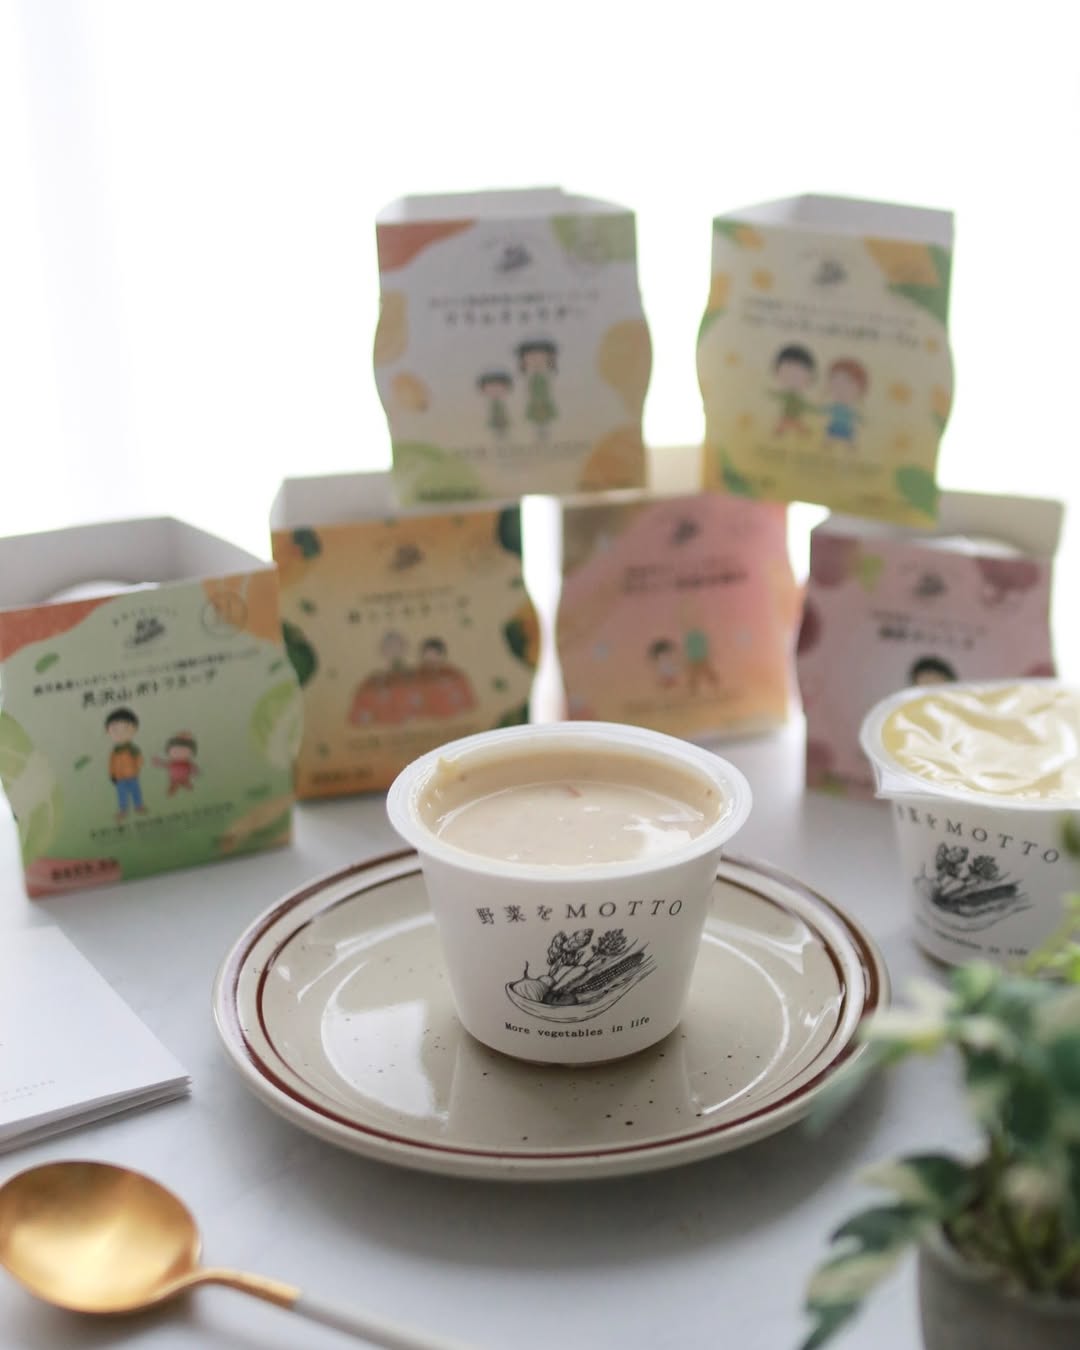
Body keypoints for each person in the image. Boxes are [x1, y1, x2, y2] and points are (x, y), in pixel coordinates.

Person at [105, 707, 146, 820]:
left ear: (134, 729)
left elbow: (140, 760)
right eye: (115, 729)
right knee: (121, 794)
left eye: (126, 728)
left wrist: (137, 768)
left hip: (132, 775)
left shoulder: (133, 749)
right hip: (119, 778)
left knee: (136, 791)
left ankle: (139, 806)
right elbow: (111, 764)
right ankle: (123, 810)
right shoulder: (114, 752)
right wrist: (112, 774)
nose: (120, 733)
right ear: (108, 731)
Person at [769, 345, 817, 437]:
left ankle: (804, 434)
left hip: (795, 417)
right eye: (788, 370)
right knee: (782, 425)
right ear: (777, 371)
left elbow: (807, 405)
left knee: (798, 425)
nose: (793, 376)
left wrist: (814, 409)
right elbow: (778, 395)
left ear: (810, 378)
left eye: (799, 372)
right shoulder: (786, 395)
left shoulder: (799, 399)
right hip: (785, 416)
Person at [822, 359, 869, 447]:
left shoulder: (850, 410)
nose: (841, 391)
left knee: (850, 436)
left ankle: (850, 445)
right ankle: (828, 442)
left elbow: (857, 416)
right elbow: (825, 409)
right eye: (836, 386)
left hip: (846, 429)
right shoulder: (835, 406)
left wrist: (863, 420)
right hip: (835, 426)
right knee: (830, 433)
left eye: (848, 386)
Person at [517, 340, 558, 438]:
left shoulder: (546, 376)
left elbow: (547, 389)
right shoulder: (530, 377)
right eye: (532, 358)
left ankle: (544, 431)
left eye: (542, 357)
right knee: (536, 420)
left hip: (544, 400)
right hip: (534, 401)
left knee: (544, 419)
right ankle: (538, 432)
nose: (536, 361)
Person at [476, 371, 513, 437]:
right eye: (491, 386)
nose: (495, 389)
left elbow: (502, 413)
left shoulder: (500, 403)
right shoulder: (492, 404)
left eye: (499, 386)